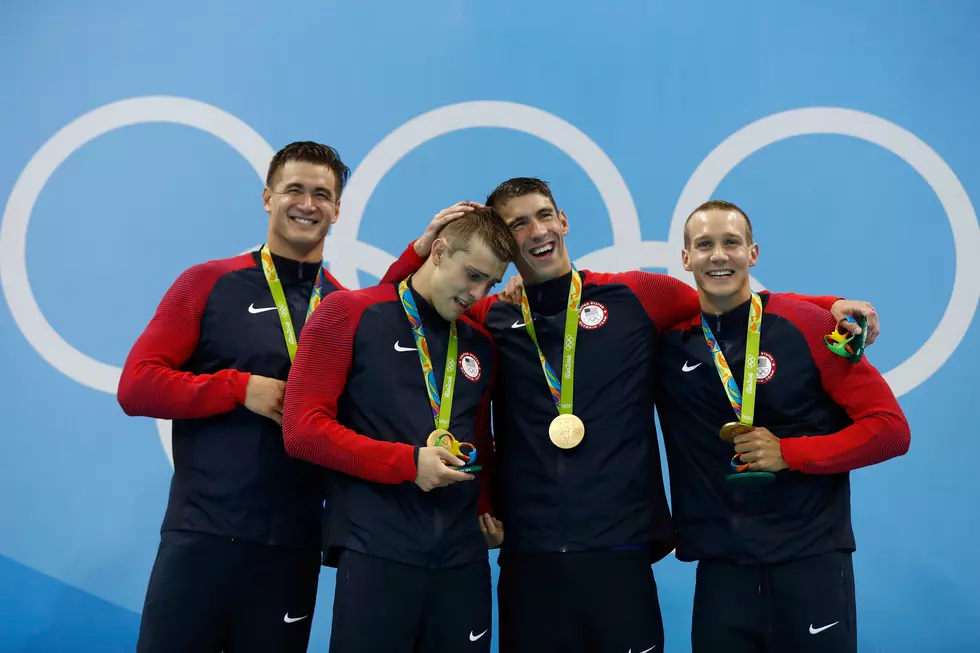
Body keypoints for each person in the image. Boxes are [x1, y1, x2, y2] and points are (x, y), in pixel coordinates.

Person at [385, 179, 878, 653]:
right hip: (529, 554)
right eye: (517, 225)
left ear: (563, 220)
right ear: (503, 244)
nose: (537, 232)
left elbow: (735, 301)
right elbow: (396, 308)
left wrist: (827, 305)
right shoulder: (488, 315)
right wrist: (422, 249)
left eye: (543, 216)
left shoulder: (639, 296)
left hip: (622, 550)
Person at [116, 141, 437, 653]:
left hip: (292, 546)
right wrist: (238, 387)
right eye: (293, 189)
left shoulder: (343, 306)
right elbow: (136, 386)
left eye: (321, 194)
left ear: (338, 209)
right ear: (267, 197)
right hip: (202, 533)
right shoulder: (208, 282)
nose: (306, 204)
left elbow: (395, 309)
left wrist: (420, 252)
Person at [655, 200, 911, 653]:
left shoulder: (809, 326)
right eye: (705, 244)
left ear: (753, 253)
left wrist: (790, 453)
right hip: (722, 570)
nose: (719, 255)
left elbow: (890, 429)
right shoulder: (670, 343)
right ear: (685, 259)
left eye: (731, 243)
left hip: (809, 560)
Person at [280, 206, 513, 653]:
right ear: (439, 251)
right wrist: (408, 464)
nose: (478, 293)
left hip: (463, 558)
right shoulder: (347, 312)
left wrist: (487, 508)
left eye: (491, 282)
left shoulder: (479, 343)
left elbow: (477, 439)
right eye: (472, 275)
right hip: (377, 548)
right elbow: (302, 429)